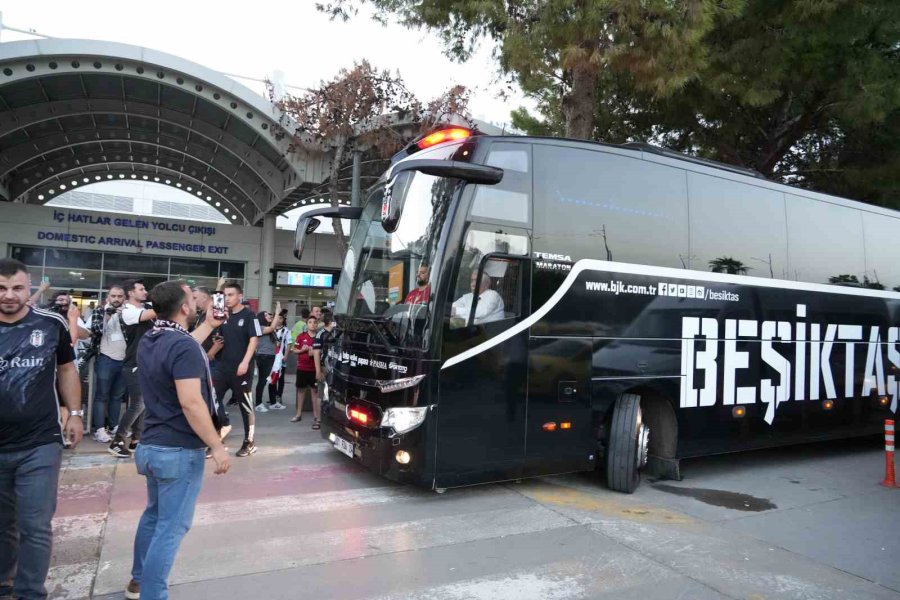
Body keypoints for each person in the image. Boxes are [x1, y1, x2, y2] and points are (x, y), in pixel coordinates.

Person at [124, 280, 229, 600]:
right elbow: (191, 403)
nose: (197, 301)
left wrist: (210, 325)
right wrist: (217, 445)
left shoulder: (154, 338)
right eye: (193, 297)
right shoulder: (180, 345)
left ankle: (138, 581)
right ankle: (152, 594)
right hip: (178, 451)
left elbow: (183, 345)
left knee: (154, 516)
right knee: (171, 528)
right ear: (184, 307)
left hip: (151, 447)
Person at [0, 258, 83, 600]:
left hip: (40, 443)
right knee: (3, 526)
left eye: (17, 288)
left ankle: (30, 593)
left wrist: (75, 413)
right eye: (2, 289)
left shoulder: (51, 324)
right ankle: (4, 583)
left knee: (35, 525)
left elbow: (66, 369)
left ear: (29, 288)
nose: (9, 295)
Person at [213, 282, 261, 457]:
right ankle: (215, 436)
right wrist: (218, 287)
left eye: (231, 294)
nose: (227, 298)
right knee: (211, 398)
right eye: (225, 295)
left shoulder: (249, 315)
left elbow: (254, 340)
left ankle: (249, 442)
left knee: (245, 405)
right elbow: (216, 309)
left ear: (240, 296)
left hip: (242, 368)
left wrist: (245, 362)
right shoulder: (223, 315)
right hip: (223, 367)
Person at [108, 280, 155, 458]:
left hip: (146, 362)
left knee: (144, 403)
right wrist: (170, 299)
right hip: (134, 363)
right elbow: (157, 310)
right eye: (141, 289)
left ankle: (137, 439)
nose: (145, 292)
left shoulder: (145, 308)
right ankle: (117, 441)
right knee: (138, 403)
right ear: (130, 293)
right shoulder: (128, 311)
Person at [91, 285, 127, 444]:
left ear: (124, 298)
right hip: (106, 358)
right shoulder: (100, 311)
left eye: (120, 296)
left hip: (124, 359)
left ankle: (114, 426)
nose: (116, 299)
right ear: (108, 298)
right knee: (101, 396)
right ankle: (99, 429)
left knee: (117, 397)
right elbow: (97, 330)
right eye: (113, 296)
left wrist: (122, 316)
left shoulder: (127, 312)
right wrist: (108, 315)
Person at [253, 308, 285, 413]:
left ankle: (273, 403)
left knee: (272, 380)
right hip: (264, 356)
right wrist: (277, 313)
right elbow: (272, 328)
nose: (269, 316)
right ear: (262, 318)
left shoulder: (269, 329)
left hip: (272, 356)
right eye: (266, 315)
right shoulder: (260, 328)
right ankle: (258, 403)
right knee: (262, 380)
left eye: (269, 314)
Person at [291, 316, 319, 428]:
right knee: (301, 391)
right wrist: (303, 350)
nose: (312, 324)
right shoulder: (301, 336)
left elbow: (321, 352)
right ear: (307, 324)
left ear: (317, 325)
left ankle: (317, 417)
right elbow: (294, 350)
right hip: (302, 369)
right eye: (310, 322)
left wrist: (315, 353)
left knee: (315, 393)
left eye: (315, 322)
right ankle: (298, 414)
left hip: (314, 370)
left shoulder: (319, 338)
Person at [313, 311, 336, 406]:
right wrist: (318, 371)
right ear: (331, 321)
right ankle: (319, 417)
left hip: (335, 367)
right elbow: (316, 353)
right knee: (321, 393)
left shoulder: (337, 333)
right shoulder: (321, 334)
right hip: (324, 367)